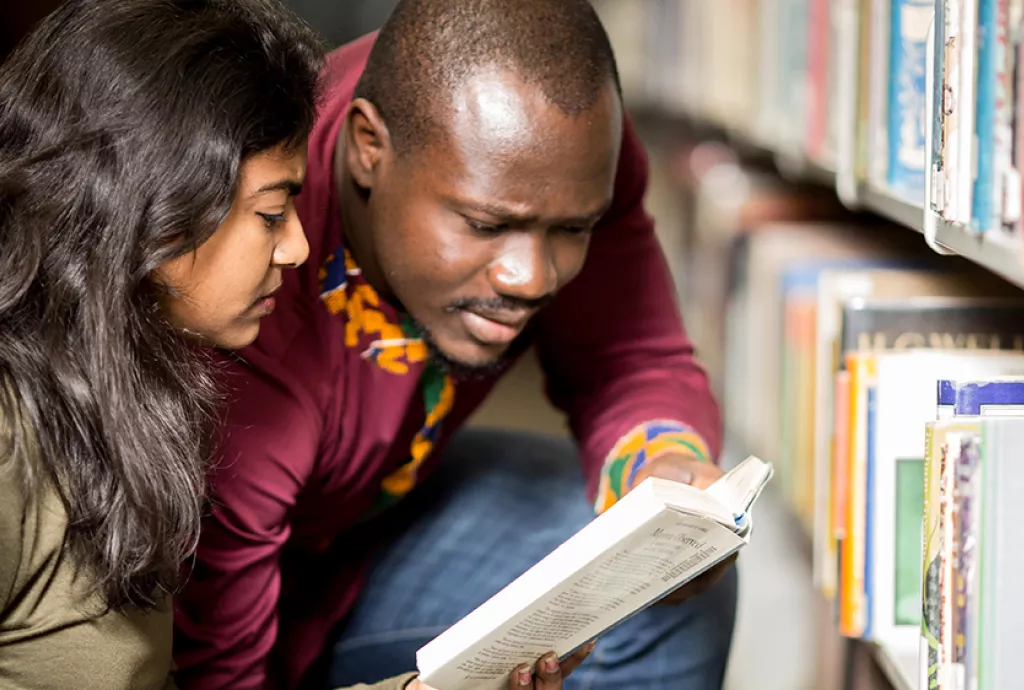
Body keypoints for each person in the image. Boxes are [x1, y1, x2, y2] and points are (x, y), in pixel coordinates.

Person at [172, 1, 738, 689]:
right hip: (230, 609)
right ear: (368, 149)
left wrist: (663, 466)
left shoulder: (567, 160)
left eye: (572, 230)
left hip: (368, 534)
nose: (530, 279)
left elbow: (629, 357)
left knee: (660, 585)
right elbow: (212, 664)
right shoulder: (243, 266)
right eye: (483, 223)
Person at [0, 0, 318, 687]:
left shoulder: (124, 391)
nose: (298, 246)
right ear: (156, 208)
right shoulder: (9, 435)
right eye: (271, 213)